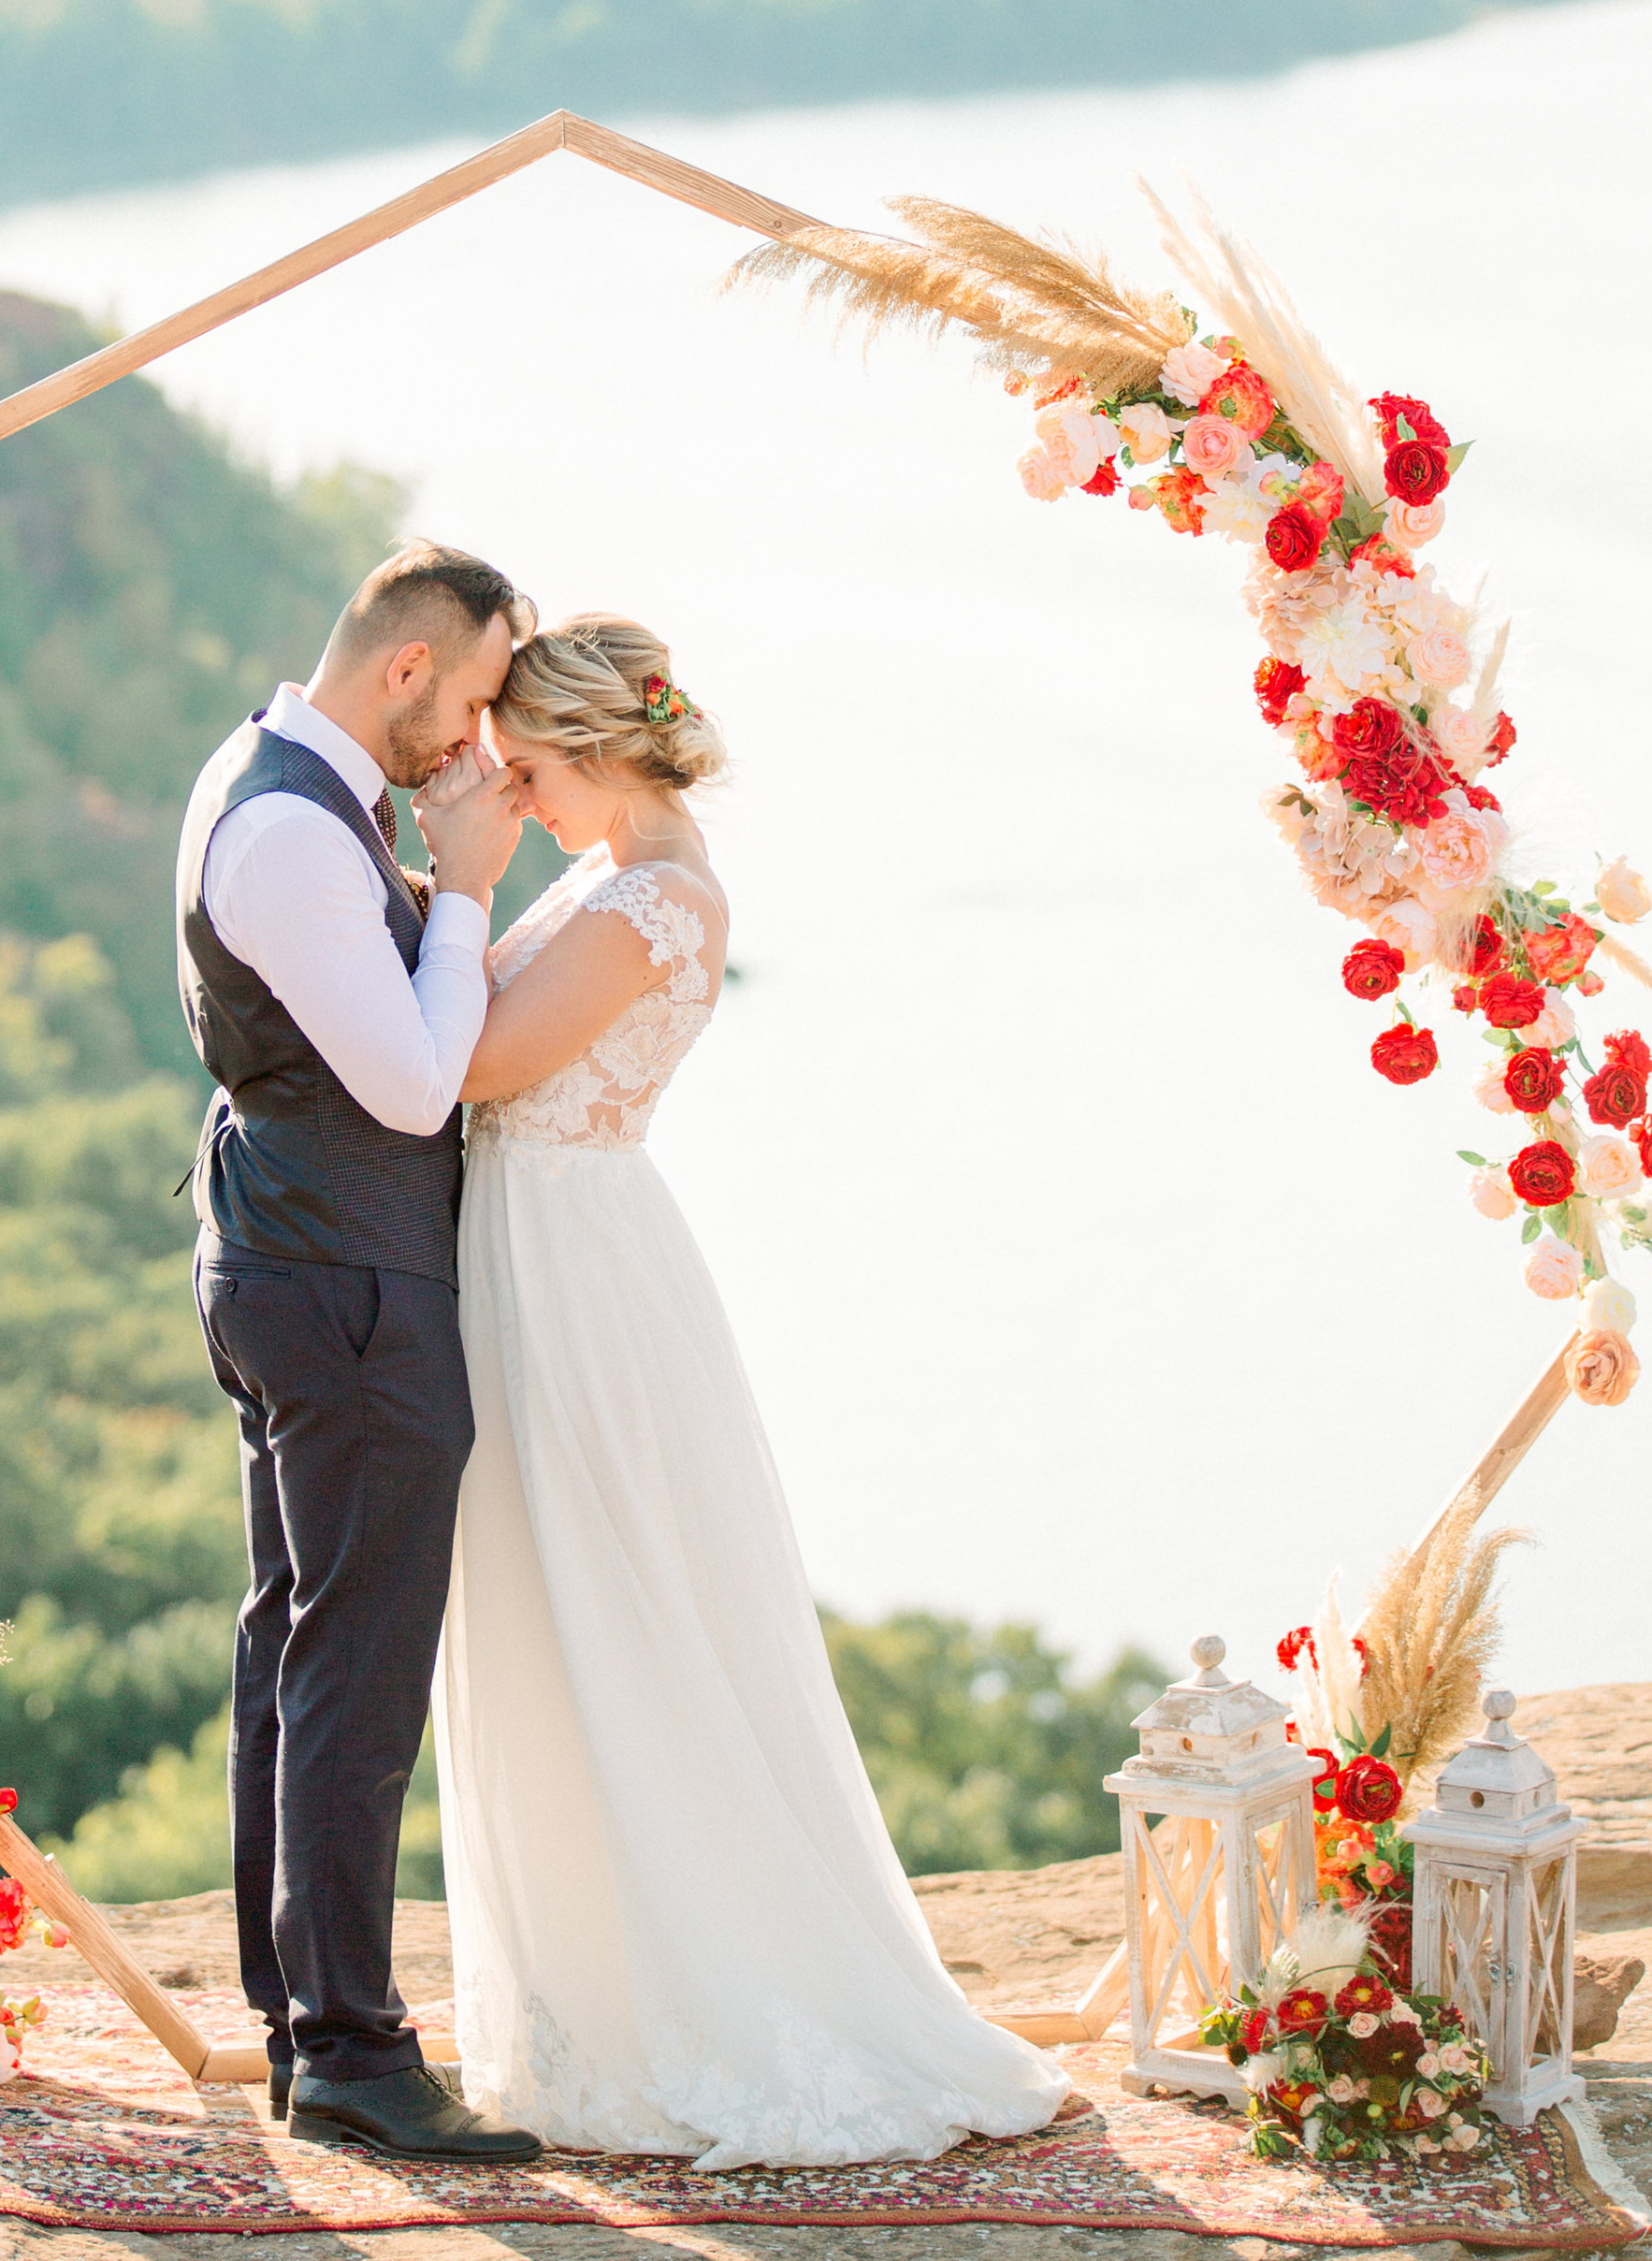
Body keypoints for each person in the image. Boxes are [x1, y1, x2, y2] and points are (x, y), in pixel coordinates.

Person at [430, 614, 1080, 2167]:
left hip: (571, 1265)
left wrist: (459, 884)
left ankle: (699, 1999)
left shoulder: (652, 900)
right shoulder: (615, 874)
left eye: (527, 771)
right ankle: (597, 1992)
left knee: (608, 1602)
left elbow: (479, 1063)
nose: (516, 798)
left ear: (594, 752)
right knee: (550, 1604)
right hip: (544, 1240)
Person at [179, 540, 543, 2163]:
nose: (474, 739)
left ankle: (301, 2024)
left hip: (303, 1262)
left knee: (303, 1643)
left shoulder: (284, 785)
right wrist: (464, 889)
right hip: (345, 1288)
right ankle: (348, 2049)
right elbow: (410, 1085)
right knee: (355, 1667)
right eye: (470, 701)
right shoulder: (286, 831)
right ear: (408, 667)